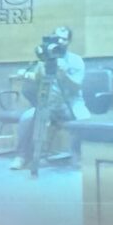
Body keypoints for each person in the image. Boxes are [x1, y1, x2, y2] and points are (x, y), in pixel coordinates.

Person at [10, 26, 91, 174]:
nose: (60, 41)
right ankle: (22, 156)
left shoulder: (76, 61)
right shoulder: (44, 60)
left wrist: (63, 73)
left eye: (64, 39)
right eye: (57, 38)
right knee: (27, 118)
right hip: (49, 103)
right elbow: (37, 79)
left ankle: (78, 157)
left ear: (69, 41)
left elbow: (76, 87)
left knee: (84, 120)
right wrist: (28, 74)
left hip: (71, 103)